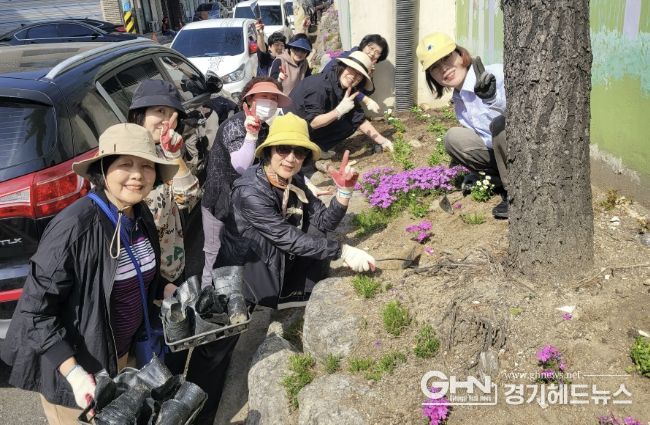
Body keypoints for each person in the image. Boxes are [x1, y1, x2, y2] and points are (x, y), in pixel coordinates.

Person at [0, 124, 178, 424]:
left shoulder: (139, 213)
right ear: (103, 169)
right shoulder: (74, 227)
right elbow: (34, 312)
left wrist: (170, 291)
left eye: (147, 166)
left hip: (123, 359)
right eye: (125, 164)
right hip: (78, 375)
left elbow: (136, 274)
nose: (137, 175)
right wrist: (75, 374)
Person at [217, 112, 376, 309]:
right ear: (268, 151)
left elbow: (323, 222)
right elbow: (286, 237)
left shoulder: (294, 180)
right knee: (289, 240)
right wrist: (342, 251)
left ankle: (295, 293)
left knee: (315, 230)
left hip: (275, 253)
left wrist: (344, 192)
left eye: (299, 152)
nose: (291, 159)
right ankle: (261, 299)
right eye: (283, 149)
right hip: (250, 264)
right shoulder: (250, 192)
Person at [201, 78, 292, 288]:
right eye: (264, 96)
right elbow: (241, 166)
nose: (269, 102)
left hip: (245, 202)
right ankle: (207, 296)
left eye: (273, 98)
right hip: (220, 202)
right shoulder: (235, 125)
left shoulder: (267, 127)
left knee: (241, 250)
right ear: (249, 100)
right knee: (214, 253)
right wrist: (251, 135)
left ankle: (238, 292)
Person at [416, 32, 508, 218]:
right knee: (453, 137)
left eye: (446, 58)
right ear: (431, 76)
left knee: (500, 125)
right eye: (435, 67)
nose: (444, 69)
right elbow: (481, 138)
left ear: (460, 54)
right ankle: (496, 179)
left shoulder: (496, 74)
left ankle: (515, 193)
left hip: (523, 149)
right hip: (499, 153)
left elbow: (523, 118)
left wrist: (492, 99)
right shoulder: (458, 100)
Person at [127, 79, 201, 296]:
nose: (167, 121)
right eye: (160, 111)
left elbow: (188, 197)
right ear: (138, 115)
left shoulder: (165, 151)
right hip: (137, 271)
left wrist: (173, 154)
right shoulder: (119, 154)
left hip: (170, 265)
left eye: (172, 114)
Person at [288, 50, 394, 160]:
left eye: (359, 75)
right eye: (352, 69)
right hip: (290, 130)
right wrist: (338, 111)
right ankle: (303, 151)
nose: (353, 76)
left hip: (307, 128)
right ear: (342, 67)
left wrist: (383, 141)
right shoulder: (320, 85)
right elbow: (313, 122)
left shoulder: (346, 89)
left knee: (349, 123)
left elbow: (359, 119)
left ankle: (317, 148)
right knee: (339, 117)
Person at [323, 33, 390, 114]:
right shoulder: (348, 58)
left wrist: (369, 76)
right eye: (371, 48)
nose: (372, 53)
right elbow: (335, 82)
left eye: (377, 53)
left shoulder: (367, 65)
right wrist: (365, 99)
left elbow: (367, 92)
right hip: (327, 99)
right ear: (364, 45)